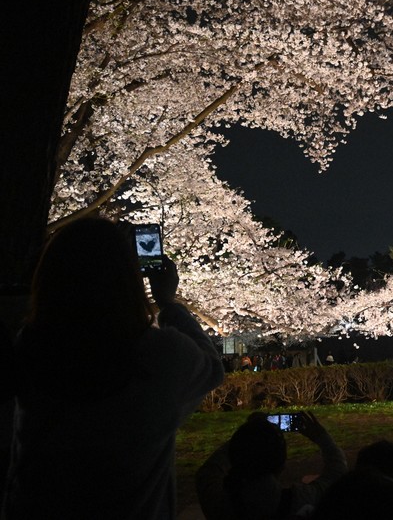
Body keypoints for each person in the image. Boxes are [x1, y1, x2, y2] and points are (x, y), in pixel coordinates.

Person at [2, 217, 224, 519]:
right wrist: (167, 302)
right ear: (128, 280)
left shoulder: (30, 348)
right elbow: (211, 367)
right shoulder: (158, 357)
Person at [196, 411, 347, 519]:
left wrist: (250, 434)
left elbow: (209, 470)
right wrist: (322, 438)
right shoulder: (302, 501)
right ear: (282, 465)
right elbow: (337, 471)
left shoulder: (218, 504)